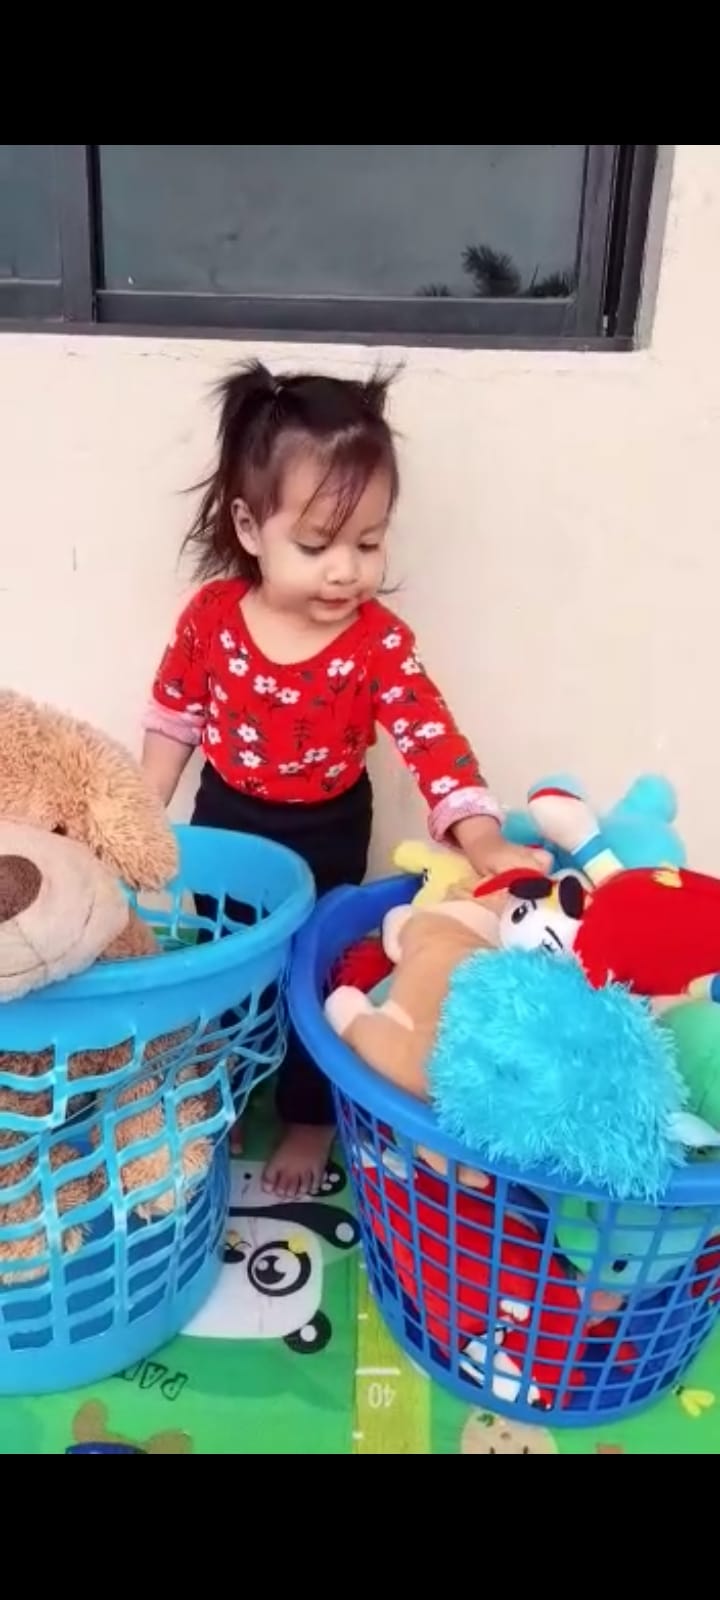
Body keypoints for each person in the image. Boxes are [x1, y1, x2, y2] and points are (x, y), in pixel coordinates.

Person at [141, 359, 548, 1199]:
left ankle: (310, 1116)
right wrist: (141, 811)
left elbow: (431, 737)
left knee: (312, 971)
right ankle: (217, 1094)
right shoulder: (211, 620)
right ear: (250, 527)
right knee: (223, 966)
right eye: (317, 544)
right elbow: (174, 715)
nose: (345, 571)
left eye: (367, 543)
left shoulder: (378, 642)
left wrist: (481, 837)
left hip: (326, 830)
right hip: (226, 822)